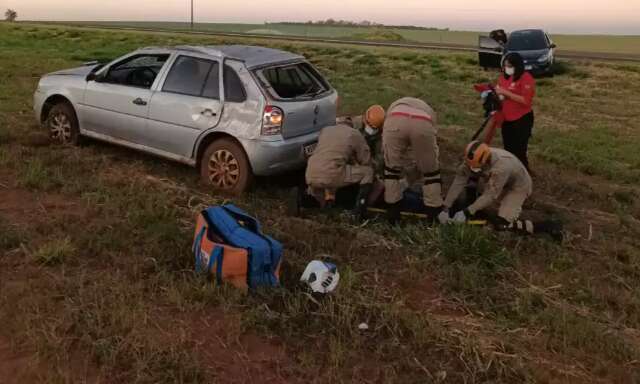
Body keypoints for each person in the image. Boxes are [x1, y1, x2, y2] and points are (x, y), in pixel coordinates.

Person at [440, 141, 532, 228]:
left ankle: (528, 222)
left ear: (486, 160)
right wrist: (446, 206)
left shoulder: (501, 167)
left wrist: (467, 212)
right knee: (485, 200)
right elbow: (459, 180)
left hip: (518, 186)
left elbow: (490, 195)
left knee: (503, 223)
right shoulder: (472, 158)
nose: (471, 169)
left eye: (475, 167)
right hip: (498, 180)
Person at [382, 97, 443, 222]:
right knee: (431, 173)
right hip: (423, 123)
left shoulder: (395, 104)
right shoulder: (429, 111)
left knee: (391, 171)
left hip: (395, 119)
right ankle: (433, 215)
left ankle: (393, 213)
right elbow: (432, 142)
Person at [303, 117, 377, 218]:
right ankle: (359, 210)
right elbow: (365, 160)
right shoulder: (354, 133)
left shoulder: (325, 130)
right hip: (331, 174)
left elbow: (330, 153)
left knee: (333, 171)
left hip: (310, 173)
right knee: (368, 172)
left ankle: (308, 201)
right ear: (351, 125)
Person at [496, 52, 536, 171]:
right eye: (505, 65)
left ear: (517, 66)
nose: (506, 68)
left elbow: (526, 101)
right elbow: (499, 91)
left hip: (522, 119)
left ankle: (524, 173)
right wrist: (497, 95)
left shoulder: (526, 78)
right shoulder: (504, 77)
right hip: (507, 118)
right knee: (508, 148)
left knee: (519, 150)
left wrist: (506, 93)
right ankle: (511, 172)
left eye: (509, 66)